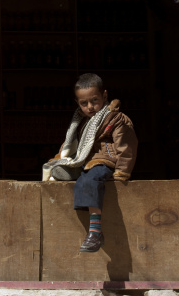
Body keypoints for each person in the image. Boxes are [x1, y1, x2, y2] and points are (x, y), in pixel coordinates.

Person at [42, 73, 138, 252]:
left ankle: (95, 232)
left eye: (94, 100)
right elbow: (70, 144)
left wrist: (122, 172)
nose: (90, 107)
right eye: (84, 103)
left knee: (88, 181)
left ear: (104, 96)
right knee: (57, 171)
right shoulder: (80, 122)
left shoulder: (115, 118)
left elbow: (126, 146)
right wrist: (59, 158)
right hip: (84, 162)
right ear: (77, 102)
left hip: (104, 161)